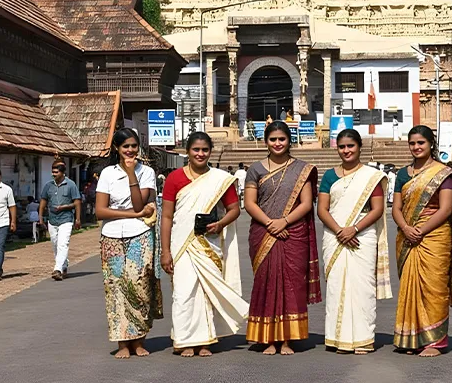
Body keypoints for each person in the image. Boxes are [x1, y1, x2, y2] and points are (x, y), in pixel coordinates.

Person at [160, 132, 247, 357]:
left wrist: (219, 224)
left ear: (210, 152)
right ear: (187, 151)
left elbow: (234, 209)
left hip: (208, 242)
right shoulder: (174, 179)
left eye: (205, 150)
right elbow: (167, 217)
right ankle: (185, 340)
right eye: (196, 150)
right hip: (182, 244)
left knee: (205, 291)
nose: (200, 154)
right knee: (183, 292)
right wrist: (165, 251)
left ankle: (205, 340)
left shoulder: (220, 179)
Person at [392, 125, 452, 356]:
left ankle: (435, 342)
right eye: (412, 143)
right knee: (410, 287)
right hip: (407, 235)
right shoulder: (403, 174)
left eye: (421, 143)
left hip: (434, 237)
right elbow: (396, 208)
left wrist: (420, 230)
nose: (416, 147)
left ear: (430, 144)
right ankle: (412, 339)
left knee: (433, 288)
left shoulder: (443, 174)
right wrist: (406, 228)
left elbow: (445, 209)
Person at [244, 121, 320, 356]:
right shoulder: (255, 169)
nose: (278, 143)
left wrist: (283, 222)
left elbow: (307, 204)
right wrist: (270, 224)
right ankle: (268, 339)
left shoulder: (302, 169)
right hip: (263, 232)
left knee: (292, 284)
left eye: (282, 139)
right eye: (273, 139)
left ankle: (287, 339)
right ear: (266, 141)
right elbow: (249, 203)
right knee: (266, 283)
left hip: (293, 233)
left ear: (290, 140)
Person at [317, 129, 391, 354]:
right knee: (337, 287)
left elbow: (378, 209)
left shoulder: (371, 177)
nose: (346, 150)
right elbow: (322, 209)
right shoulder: (330, 175)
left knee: (362, 288)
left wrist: (354, 229)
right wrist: (340, 230)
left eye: (350, 146)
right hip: (335, 235)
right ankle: (338, 339)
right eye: (342, 147)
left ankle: (363, 339)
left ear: (359, 147)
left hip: (363, 236)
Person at [96, 128, 162, 359]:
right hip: (111, 237)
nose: (131, 150)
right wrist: (132, 215)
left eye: (134, 146)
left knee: (139, 287)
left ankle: (139, 340)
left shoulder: (147, 172)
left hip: (141, 235)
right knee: (116, 289)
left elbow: (138, 204)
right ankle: (123, 343)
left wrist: (132, 173)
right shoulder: (107, 174)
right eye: (126, 146)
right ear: (117, 148)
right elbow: (100, 211)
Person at [39, 162, 82, 281]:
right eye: (52, 172)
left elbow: (77, 202)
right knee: (55, 244)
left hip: (66, 219)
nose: (54, 174)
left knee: (63, 243)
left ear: (63, 173)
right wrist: (41, 217)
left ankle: (57, 269)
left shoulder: (71, 185)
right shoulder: (48, 186)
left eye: (56, 172)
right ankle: (63, 265)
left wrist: (77, 219)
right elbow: (43, 201)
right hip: (52, 220)